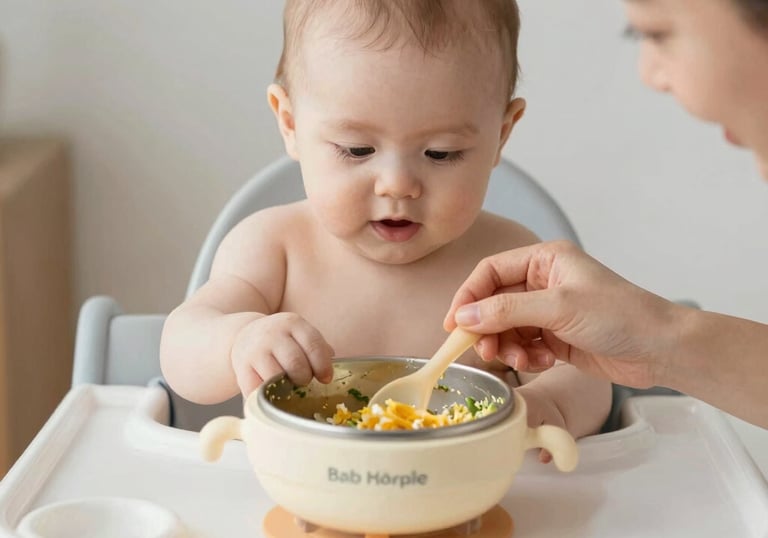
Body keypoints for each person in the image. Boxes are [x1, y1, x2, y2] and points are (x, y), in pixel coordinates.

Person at [159, 0, 611, 449]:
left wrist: (549, 404)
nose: (397, 185)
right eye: (357, 150)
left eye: (441, 153)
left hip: (466, 497)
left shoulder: (510, 262)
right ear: (290, 123)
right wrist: (239, 341)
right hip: (301, 495)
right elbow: (182, 349)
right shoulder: (273, 248)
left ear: (501, 133)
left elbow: (589, 376)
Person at [444, 0, 768, 429]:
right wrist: (663, 338)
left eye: (655, 33)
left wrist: (548, 407)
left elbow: (579, 387)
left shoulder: (507, 247)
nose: (648, 75)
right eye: (355, 149)